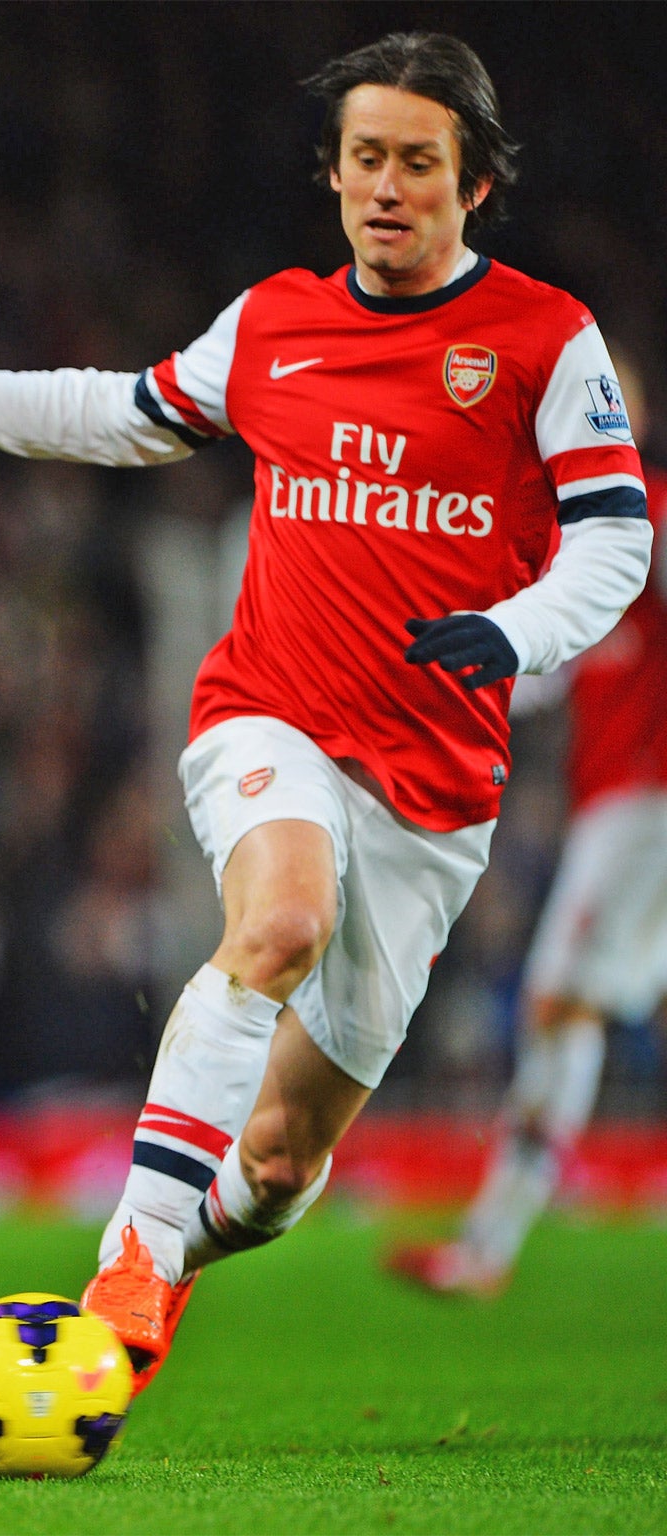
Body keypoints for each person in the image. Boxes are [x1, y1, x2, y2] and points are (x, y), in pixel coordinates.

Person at [0, 33, 651, 1392]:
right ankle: (128, 1268)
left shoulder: (544, 340)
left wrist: (513, 628)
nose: (386, 187)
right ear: (334, 172)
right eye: (364, 158)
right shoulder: (274, 325)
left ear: (474, 184)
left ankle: (179, 1252)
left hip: (435, 784)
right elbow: (111, 412)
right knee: (281, 922)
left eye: (417, 163)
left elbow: (615, 538)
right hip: (270, 714)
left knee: (279, 1170)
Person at [390, 357, 667, 1297]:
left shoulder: (652, 517)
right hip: (618, 805)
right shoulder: (575, 552)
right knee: (575, 1008)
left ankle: (489, 1248)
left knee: (558, 1004)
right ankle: (488, 1246)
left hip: (648, 805)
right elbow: (542, 679)